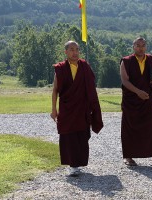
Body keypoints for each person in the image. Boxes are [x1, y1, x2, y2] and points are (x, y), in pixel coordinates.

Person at [51, 41, 103, 176]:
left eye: (77, 49)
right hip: (67, 108)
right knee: (68, 136)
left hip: (82, 108)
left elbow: (91, 87)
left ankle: (79, 163)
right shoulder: (61, 68)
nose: (75, 52)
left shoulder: (85, 66)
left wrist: (93, 106)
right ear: (66, 52)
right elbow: (55, 90)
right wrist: (54, 109)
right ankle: (73, 165)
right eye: (71, 49)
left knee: (82, 136)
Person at [120, 37, 152, 167]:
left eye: (143, 45)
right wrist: (138, 92)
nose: (141, 48)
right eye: (138, 45)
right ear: (133, 47)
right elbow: (125, 81)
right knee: (129, 128)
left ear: (146, 46)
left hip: (148, 100)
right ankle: (128, 157)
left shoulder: (150, 59)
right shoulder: (126, 61)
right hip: (131, 101)